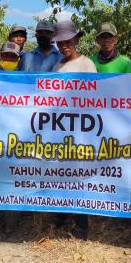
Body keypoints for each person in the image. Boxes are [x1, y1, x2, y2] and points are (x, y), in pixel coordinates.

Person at [52, 19, 96, 239]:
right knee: (60, 173)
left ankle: (81, 225)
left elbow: (95, 99)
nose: (64, 45)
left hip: (80, 131)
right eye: (60, 42)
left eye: (68, 41)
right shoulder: (57, 66)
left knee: (78, 175)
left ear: (76, 40)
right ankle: (60, 215)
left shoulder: (87, 65)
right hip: (59, 130)